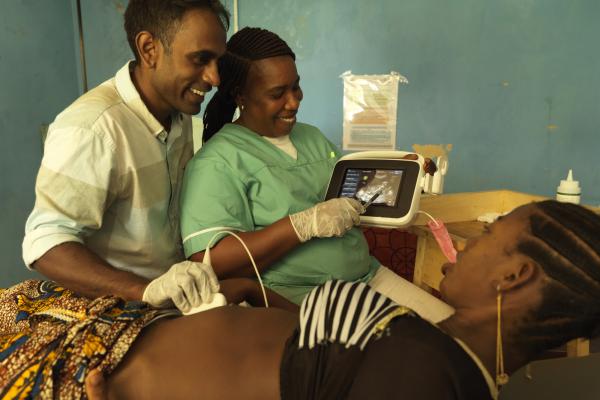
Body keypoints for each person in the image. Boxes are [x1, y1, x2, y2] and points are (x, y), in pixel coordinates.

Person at [3, 201, 597, 399]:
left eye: (488, 237)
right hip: (113, 329)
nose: (467, 246)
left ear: (514, 277)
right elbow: (327, 355)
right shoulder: (439, 345)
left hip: (88, 376)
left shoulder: (426, 383)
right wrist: (254, 298)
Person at [179, 27, 450, 321]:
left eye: (295, 87)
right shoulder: (218, 161)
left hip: (367, 277)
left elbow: (353, 194)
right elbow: (210, 261)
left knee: (454, 334)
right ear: (240, 95)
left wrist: (405, 181)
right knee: (418, 357)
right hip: (301, 298)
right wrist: (302, 225)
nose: (294, 102)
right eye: (277, 93)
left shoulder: (312, 138)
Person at [21, 0, 229, 314]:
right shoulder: (92, 129)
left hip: (171, 300)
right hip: (114, 307)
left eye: (217, 62)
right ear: (149, 49)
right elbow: (46, 245)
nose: (214, 78)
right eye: (200, 59)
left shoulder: (178, 115)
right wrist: (144, 290)